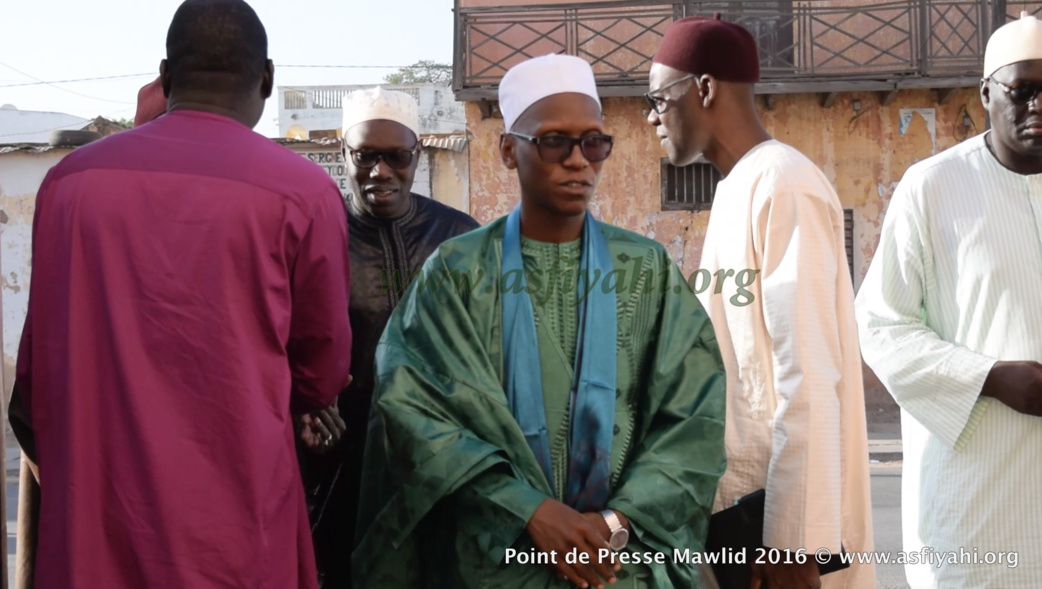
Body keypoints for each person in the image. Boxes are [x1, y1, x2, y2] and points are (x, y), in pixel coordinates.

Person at [351, 53, 727, 589]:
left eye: (593, 143)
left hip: (618, 562)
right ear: (509, 150)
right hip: (494, 559)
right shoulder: (458, 271)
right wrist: (529, 509)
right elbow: (411, 411)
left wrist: (614, 522)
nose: (579, 161)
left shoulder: (644, 269)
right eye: (554, 141)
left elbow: (695, 417)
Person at [10, 1, 352, 588]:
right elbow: (322, 371)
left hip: (100, 521)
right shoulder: (303, 192)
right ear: (267, 79)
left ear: (166, 78)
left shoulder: (70, 183)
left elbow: (40, 365)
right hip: (234, 528)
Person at [646, 15, 875, 589]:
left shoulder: (783, 183)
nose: (651, 117)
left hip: (775, 533)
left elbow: (810, 372)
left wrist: (794, 548)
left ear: (703, 88)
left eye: (657, 98)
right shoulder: (737, 188)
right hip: (738, 515)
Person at [854, 12, 1042, 588]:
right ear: (986, 93)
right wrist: (990, 377)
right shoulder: (932, 187)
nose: (1038, 106)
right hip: (977, 502)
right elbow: (881, 323)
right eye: (1023, 91)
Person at [297, 86, 478, 588]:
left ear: (416, 154)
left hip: (439, 456)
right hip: (339, 461)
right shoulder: (317, 236)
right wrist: (304, 403)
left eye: (396, 156)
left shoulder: (458, 236)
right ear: (342, 154)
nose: (381, 172)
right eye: (366, 156)